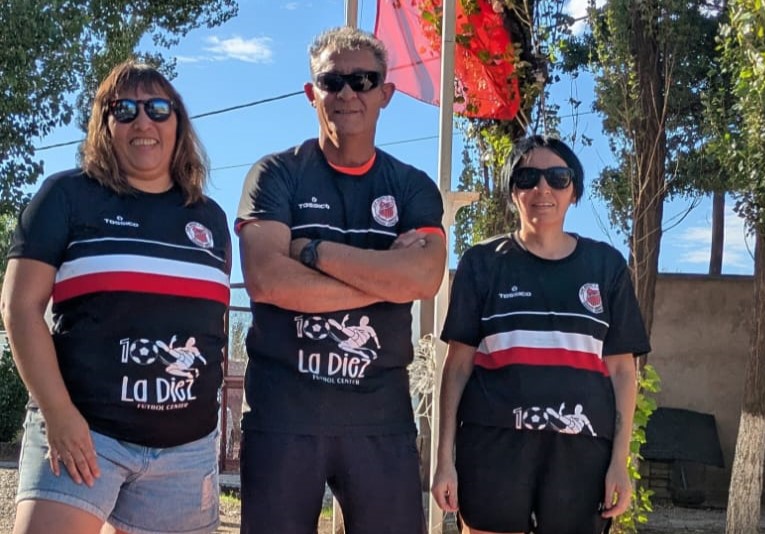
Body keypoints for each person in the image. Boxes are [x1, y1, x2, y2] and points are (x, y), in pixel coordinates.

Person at [2, 60, 230, 534]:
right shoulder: (66, 196)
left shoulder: (209, 218)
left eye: (157, 108)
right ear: (104, 125)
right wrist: (58, 414)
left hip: (184, 451)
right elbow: (19, 308)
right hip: (84, 432)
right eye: (124, 109)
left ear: (178, 122)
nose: (142, 122)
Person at [235, 26, 446, 534]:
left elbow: (424, 276)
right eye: (333, 81)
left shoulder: (411, 186)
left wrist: (312, 251)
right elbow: (267, 281)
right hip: (284, 413)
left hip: (379, 417)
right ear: (313, 93)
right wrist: (385, 279)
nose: (348, 92)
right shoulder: (275, 174)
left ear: (385, 93)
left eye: (363, 80)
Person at [432, 134, 651, 534]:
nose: (542, 188)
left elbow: (622, 371)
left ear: (574, 191)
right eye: (527, 177)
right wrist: (444, 460)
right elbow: (458, 367)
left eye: (558, 177)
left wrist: (619, 462)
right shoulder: (482, 264)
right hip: (493, 446)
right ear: (512, 191)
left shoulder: (606, 267)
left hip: (582, 452)